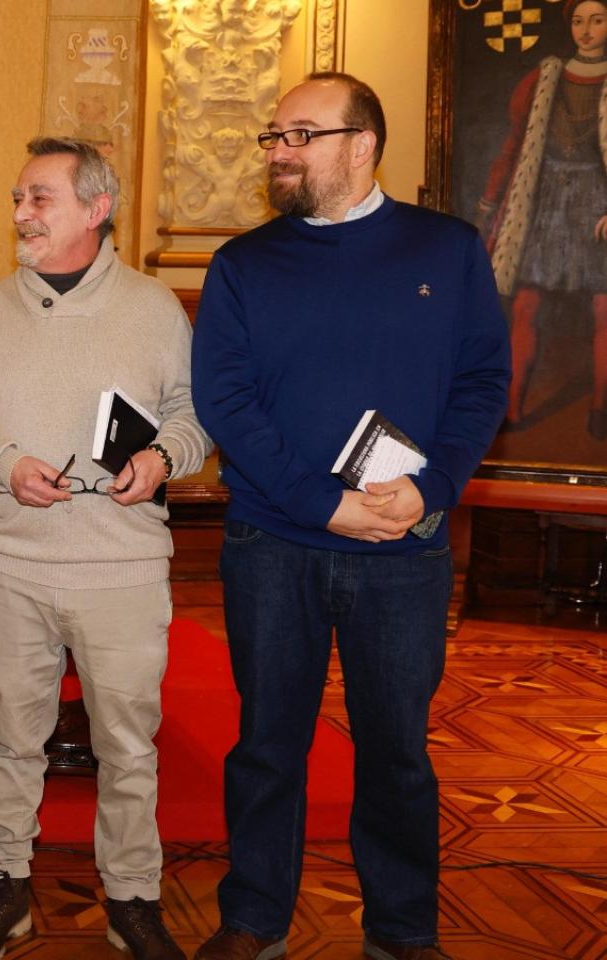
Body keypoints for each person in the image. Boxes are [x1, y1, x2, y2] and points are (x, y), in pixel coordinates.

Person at [190, 73, 510, 960]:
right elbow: (225, 400)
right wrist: (321, 504)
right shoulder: (243, 264)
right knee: (266, 746)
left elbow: (484, 381)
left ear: (362, 143)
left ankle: (403, 931)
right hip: (272, 544)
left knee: (397, 751)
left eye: (300, 135)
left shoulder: (447, 251)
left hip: (405, 544)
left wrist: (433, 486)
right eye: (274, 136)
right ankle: (254, 919)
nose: (280, 151)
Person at [0, 137, 208, 960]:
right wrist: (4, 465)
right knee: (11, 741)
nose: (20, 215)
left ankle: (132, 900)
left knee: (127, 748)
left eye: (39, 198)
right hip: (11, 567)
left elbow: (196, 414)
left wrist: (163, 458)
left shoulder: (156, 309)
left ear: (96, 207)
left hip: (120, 567)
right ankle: (4, 890)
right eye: (17, 198)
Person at [477, 0, 607, 435]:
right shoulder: (544, 77)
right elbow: (515, 144)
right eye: (577, 21)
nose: (585, 30)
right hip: (544, 202)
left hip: (598, 206)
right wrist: (492, 200)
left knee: (604, 311)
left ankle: (600, 411)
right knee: (527, 307)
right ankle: (510, 411)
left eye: (597, 20)